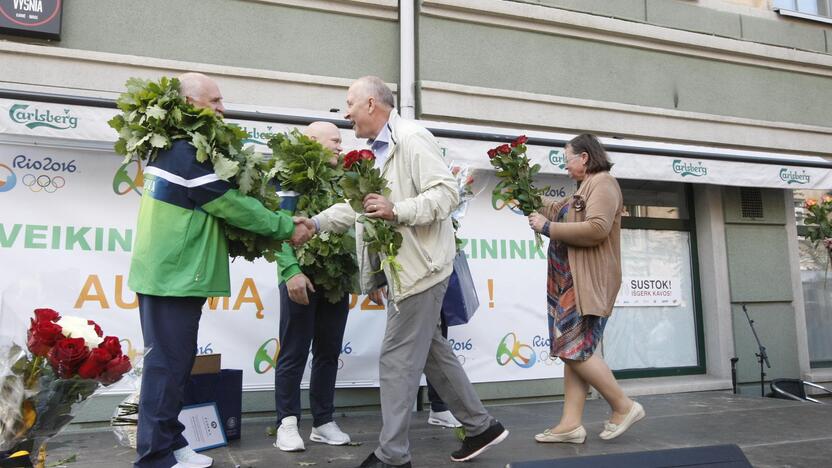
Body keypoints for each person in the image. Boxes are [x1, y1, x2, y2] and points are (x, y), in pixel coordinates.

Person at [298, 76, 508, 468]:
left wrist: (398, 210)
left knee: (395, 360)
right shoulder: (378, 150)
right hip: (406, 270)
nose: (346, 113)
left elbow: (446, 193)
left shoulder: (411, 138)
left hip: (421, 271)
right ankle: (481, 427)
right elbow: (359, 206)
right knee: (433, 353)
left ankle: (393, 456)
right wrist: (315, 224)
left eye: (350, 103)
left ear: (373, 105)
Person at [130, 72, 313, 468]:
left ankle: (171, 442)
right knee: (166, 368)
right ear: (189, 104)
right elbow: (231, 204)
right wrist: (285, 226)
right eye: (214, 100)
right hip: (170, 279)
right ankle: (154, 457)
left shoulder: (180, 149)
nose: (221, 108)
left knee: (176, 366)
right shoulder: (183, 151)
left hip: (174, 277)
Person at [527, 133, 645, 445]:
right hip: (569, 282)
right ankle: (570, 424)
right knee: (574, 350)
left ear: (584, 157)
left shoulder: (604, 183)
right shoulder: (584, 188)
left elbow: (597, 228)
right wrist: (522, 191)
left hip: (587, 283)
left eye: (567, 159)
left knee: (572, 349)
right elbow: (557, 209)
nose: (564, 166)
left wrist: (547, 228)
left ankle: (624, 406)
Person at [273, 121, 352, 452]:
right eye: (334, 140)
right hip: (299, 276)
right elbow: (277, 227)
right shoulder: (289, 174)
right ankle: (287, 424)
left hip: (335, 278)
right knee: (293, 352)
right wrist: (290, 270)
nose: (339, 146)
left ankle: (323, 421)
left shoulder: (347, 177)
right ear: (311, 142)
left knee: (329, 352)